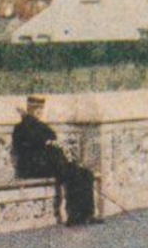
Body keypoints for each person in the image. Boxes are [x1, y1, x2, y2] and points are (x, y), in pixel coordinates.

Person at [11, 94, 99, 226]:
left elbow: (52, 140)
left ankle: (87, 213)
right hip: (33, 166)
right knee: (72, 174)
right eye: (35, 110)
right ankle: (75, 216)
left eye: (40, 109)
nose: (39, 112)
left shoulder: (39, 126)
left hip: (49, 164)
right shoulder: (22, 128)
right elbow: (34, 144)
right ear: (29, 110)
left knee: (86, 173)